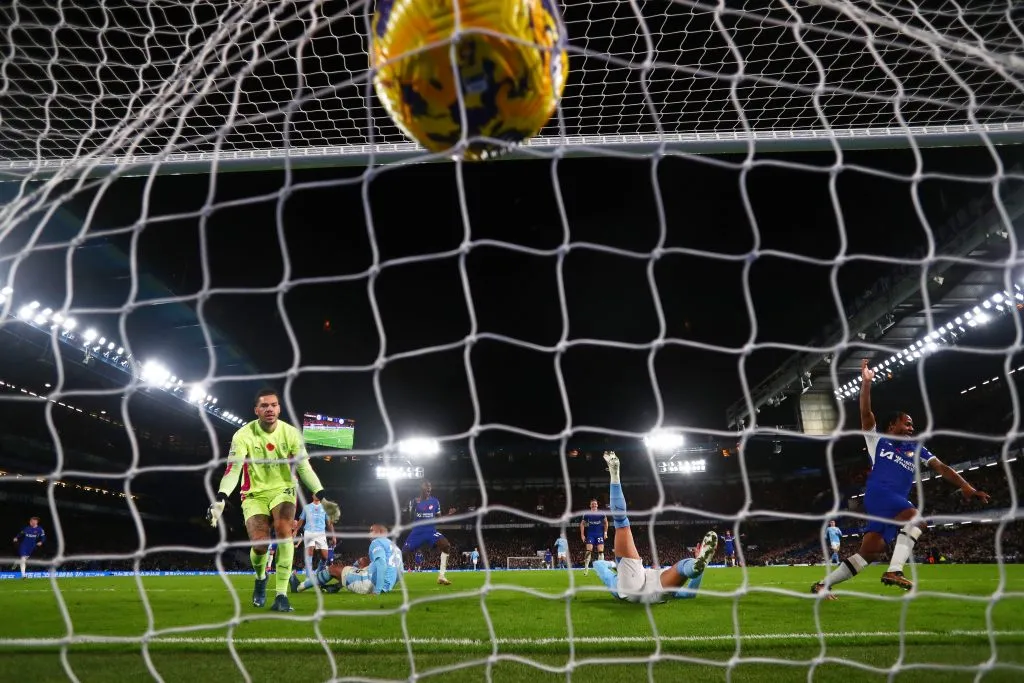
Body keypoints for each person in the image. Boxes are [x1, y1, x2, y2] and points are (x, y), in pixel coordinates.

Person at [813, 360, 990, 598]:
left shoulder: (917, 448)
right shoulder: (878, 441)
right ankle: (895, 570)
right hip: (881, 494)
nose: (910, 428)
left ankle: (822, 585)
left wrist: (967, 486)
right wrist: (866, 384)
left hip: (888, 503)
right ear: (892, 425)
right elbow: (866, 413)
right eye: (907, 423)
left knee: (870, 553)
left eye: (912, 425)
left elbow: (942, 467)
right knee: (917, 520)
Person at [207, 387, 338, 613]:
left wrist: (323, 496)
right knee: (260, 545)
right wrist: (220, 498)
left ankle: (281, 596)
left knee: (284, 529)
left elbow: (305, 468)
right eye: (264, 405)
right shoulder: (242, 435)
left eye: (274, 405)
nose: (270, 409)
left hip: (284, 490)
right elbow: (233, 470)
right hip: (253, 494)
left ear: (279, 408)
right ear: (256, 410)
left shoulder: (291, 434)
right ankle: (260, 577)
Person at [592, 452, 717, 603]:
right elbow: (689, 594)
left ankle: (614, 473)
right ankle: (696, 564)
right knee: (681, 567)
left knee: (681, 566)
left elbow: (597, 564)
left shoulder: (614, 582)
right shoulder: (617, 582)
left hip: (633, 588)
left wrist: (613, 565)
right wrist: (614, 564)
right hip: (649, 586)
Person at [291, 524, 404, 595]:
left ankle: (299, 587)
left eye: (371, 530)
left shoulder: (377, 542)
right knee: (363, 560)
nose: (369, 533)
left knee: (333, 568)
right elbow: (400, 573)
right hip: (386, 585)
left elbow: (381, 565)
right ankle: (336, 587)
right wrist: (387, 586)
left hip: (370, 584)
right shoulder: (395, 547)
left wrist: (378, 590)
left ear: (380, 532)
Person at [401, 481, 453, 585]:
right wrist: (407, 511)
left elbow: (440, 519)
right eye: (426, 486)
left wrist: (449, 514)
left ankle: (441, 576)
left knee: (446, 546)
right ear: (421, 488)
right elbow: (408, 519)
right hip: (417, 532)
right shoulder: (414, 501)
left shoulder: (435, 502)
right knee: (403, 554)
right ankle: (393, 575)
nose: (429, 488)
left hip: (431, 531)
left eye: (430, 486)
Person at [294, 494, 335, 580]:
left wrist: (333, 536)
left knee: (325, 557)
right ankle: (309, 577)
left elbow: (329, 523)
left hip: (321, 533)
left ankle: (318, 573)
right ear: (312, 495)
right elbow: (301, 520)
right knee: (309, 552)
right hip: (309, 532)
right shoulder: (307, 507)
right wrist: (295, 530)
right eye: (315, 493)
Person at [580, 498, 608, 576]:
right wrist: (582, 535)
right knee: (588, 551)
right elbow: (582, 524)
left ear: (597, 505)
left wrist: (605, 533)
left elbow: (606, 523)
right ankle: (586, 569)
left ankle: (600, 570)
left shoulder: (601, 513)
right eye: (592, 504)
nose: (594, 505)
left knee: (601, 551)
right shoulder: (587, 514)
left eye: (595, 504)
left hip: (599, 534)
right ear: (590, 505)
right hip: (590, 535)